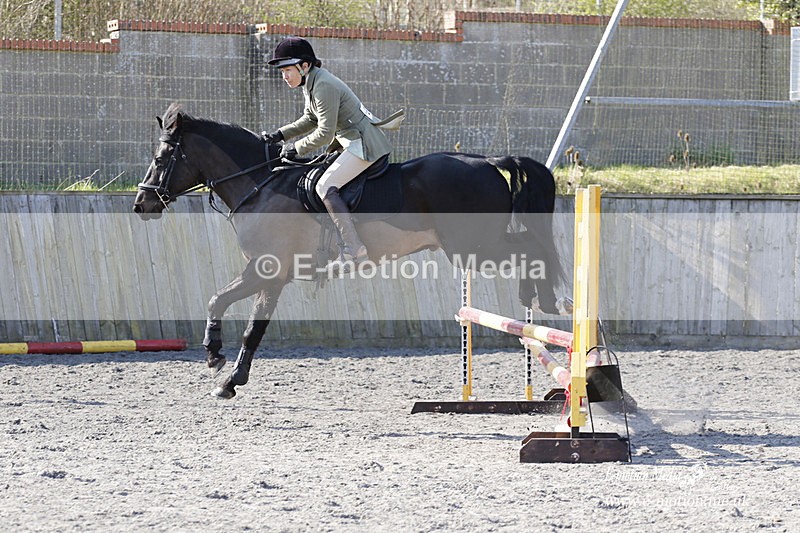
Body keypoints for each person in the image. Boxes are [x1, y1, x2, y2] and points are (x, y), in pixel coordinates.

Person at [262, 37, 403, 274]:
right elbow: (310, 119)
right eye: (282, 71)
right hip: (350, 141)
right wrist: (280, 135)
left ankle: (354, 249)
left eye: (287, 70)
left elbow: (324, 133)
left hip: (363, 144)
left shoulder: (324, 85)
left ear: (304, 66)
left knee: (325, 186)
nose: (284, 76)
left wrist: (294, 149)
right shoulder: (312, 82)